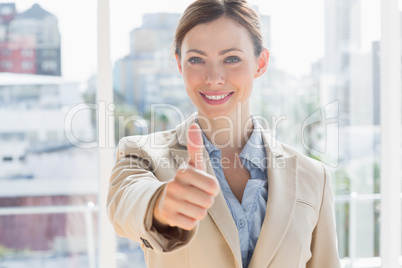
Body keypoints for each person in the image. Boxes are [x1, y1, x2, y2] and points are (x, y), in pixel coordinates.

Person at [107, 0, 341, 267]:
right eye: (196, 59)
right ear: (179, 64)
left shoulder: (313, 177)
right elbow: (126, 203)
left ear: (260, 63)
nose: (214, 77)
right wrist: (160, 206)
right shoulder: (142, 154)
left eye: (231, 59)